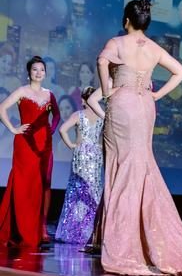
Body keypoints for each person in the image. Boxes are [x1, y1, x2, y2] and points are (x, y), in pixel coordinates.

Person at [94, 0, 182, 276]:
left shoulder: (117, 42)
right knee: (140, 166)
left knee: (122, 167)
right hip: (145, 106)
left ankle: (125, 244)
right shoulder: (153, 48)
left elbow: (101, 61)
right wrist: (156, 95)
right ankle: (144, 241)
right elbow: (181, 72)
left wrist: (105, 92)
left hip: (123, 103)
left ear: (126, 20)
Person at [0, 56, 60, 247]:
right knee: (23, 184)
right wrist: (13, 129)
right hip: (25, 143)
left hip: (44, 144)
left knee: (39, 185)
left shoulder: (49, 94)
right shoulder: (22, 91)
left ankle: (35, 229)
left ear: (46, 73)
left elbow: (57, 116)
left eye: (42, 69)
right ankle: (18, 230)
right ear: (29, 73)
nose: (38, 73)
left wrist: (51, 130)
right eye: (35, 69)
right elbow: (2, 108)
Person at [54, 86, 104, 244]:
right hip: (96, 154)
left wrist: (71, 145)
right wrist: (100, 146)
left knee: (77, 189)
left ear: (83, 100)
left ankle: (73, 231)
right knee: (93, 189)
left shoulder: (79, 115)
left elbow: (62, 129)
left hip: (81, 153)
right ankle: (91, 230)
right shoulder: (102, 115)